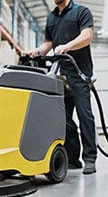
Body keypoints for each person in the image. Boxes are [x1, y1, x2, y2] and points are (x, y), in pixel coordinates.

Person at [26, 0, 97, 174]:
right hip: (60, 73)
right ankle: (73, 158)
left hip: (79, 73)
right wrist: (39, 51)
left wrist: (67, 47)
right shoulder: (51, 16)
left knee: (84, 115)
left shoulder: (81, 12)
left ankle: (90, 159)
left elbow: (87, 36)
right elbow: (49, 42)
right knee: (63, 119)